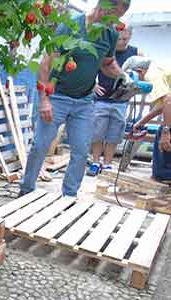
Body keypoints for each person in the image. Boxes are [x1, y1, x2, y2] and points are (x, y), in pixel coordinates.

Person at [20, 0, 131, 197]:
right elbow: (46, 64)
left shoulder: (110, 34)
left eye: (118, 18)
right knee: (40, 146)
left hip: (84, 101)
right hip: (57, 96)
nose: (114, 22)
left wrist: (124, 76)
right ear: (102, 5)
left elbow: (107, 64)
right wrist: (44, 100)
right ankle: (26, 190)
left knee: (80, 151)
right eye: (112, 15)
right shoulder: (70, 26)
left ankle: (69, 197)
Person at [87, 24, 142, 175]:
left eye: (125, 38)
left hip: (121, 101)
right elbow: (89, 68)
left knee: (114, 134)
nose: (122, 41)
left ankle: (108, 164)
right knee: (97, 133)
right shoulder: (105, 50)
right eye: (119, 38)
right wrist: (93, 85)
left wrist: (138, 79)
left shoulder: (135, 53)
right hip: (102, 99)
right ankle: (96, 162)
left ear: (129, 36)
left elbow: (144, 74)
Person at [124, 56, 171, 181]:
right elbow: (162, 104)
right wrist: (141, 122)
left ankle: (161, 177)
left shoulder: (152, 75)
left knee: (163, 137)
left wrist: (166, 131)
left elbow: (168, 101)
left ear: (139, 71)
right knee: (162, 134)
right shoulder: (158, 69)